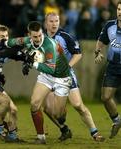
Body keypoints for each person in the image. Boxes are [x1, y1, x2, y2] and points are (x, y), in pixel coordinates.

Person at [3, 21, 72, 144]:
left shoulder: (49, 45)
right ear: (29, 35)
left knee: (57, 114)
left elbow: (50, 68)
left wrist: (31, 63)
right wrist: (3, 43)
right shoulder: (27, 41)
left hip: (62, 77)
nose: (38, 38)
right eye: (35, 36)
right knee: (34, 104)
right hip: (46, 77)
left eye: (40, 35)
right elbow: (12, 42)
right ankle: (41, 137)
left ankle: (63, 120)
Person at [43, 12, 105, 142]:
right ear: (46, 23)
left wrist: (67, 66)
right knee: (47, 109)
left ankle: (95, 132)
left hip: (65, 75)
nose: (54, 24)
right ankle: (64, 129)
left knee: (78, 105)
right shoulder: (41, 37)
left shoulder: (65, 37)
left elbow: (78, 54)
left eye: (56, 21)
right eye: (51, 21)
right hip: (49, 76)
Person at [94, 0, 121, 139]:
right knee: (105, 97)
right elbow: (101, 41)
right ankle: (117, 121)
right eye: (119, 9)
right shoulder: (110, 25)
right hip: (113, 66)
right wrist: (97, 52)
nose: (120, 12)